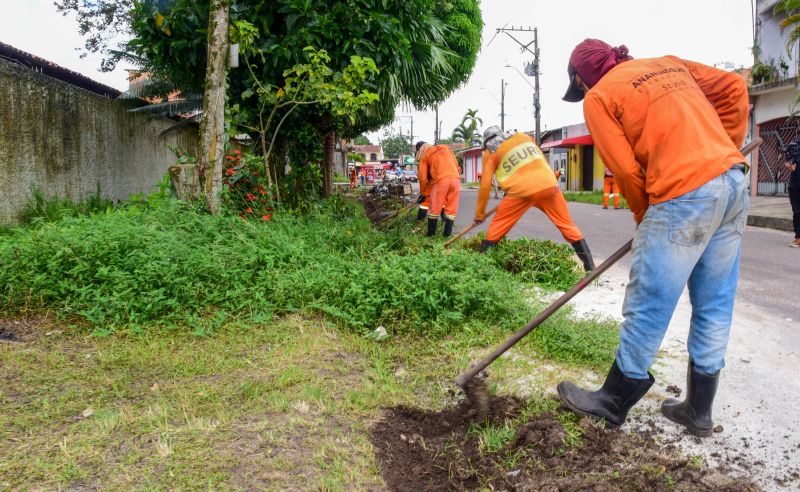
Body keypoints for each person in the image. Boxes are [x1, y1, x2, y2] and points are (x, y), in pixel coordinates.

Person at [558, 39, 750, 436]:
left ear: (582, 77)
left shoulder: (598, 98)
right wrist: (723, 152)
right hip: (733, 183)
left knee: (650, 299)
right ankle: (698, 411)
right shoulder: (669, 63)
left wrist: (647, 215)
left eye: (579, 84)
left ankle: (613, 400)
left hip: (683, 194)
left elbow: (626, 172)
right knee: (715, 302)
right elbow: (734, 88)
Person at [474, 126, 596, 271]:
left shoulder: (490, 151)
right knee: (567, 225)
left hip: (520, 192)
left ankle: (480, 267)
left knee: (497, 228)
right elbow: (542, 162)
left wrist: (480, 214)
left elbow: (485, 186)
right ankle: (590, 266)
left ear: (487, 141)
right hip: (549, 186)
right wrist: (554, 177)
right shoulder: (525, 138)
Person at [417, 141, 461, 237]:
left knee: (435, 208)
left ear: (420, 151)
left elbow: (422, 178)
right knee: (451, 209)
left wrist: (422, 194)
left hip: (440, 181)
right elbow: (456, 165)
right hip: (456, 180)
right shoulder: (445, 147)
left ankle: (431, 235)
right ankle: (447, 236)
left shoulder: (425, 156)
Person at [786, 155, 800, 247]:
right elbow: (788, 162)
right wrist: (789, 164)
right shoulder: (794, 145)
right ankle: (798, 237)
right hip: (795, 184)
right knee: (797, 211)